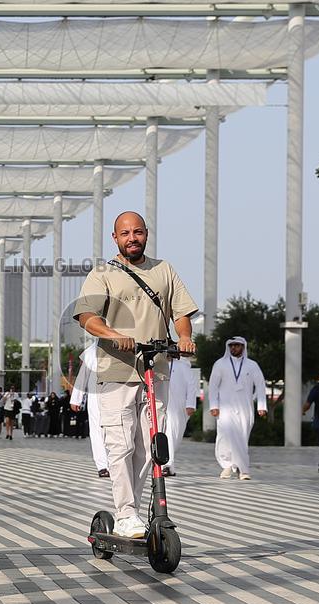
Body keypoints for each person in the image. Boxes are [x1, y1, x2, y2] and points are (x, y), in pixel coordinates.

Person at [72, 211, 198, 539]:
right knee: (120, 443)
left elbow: (181, 312)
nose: (132, 238)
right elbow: (86, 316)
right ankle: (126, 513)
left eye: (138, 232)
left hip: (155, 370)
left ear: (146, 234)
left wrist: (184, 337)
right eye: (125, 233)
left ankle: (133, 512)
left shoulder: (163, 270)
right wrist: (114, 335)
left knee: (149, 446)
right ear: (115, 238)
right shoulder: (103, 274)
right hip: (116, 370)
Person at [208, 337, 267, 481]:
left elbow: (260, 385)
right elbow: (213, 386)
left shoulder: (252, 365)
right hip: (224, 408)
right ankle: (228, 465)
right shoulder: (220, 364)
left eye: (237, 345)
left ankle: (241, 469)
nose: (234, 348)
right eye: (232, 345)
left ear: (243, 347)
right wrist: (214, 406)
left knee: (241, 437)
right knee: (224, 436)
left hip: (245, 408)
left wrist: (261, 406)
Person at [70, 342, 108, 477]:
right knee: (97, 430)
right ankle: (103, 466)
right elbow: (82, 375)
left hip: (118, 394)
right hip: (95, 396)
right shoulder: (92, 350)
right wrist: (76, 398)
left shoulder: (125, 342)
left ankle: (116, 463)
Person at [164, 357, 199, 477]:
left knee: (175, 437)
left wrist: (191, 404)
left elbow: (192, 386)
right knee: (167, 433)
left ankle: (169, 465)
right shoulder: (156, 364)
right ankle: (167, 465)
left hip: (179, 407)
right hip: (161, 405)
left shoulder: (183, 366)